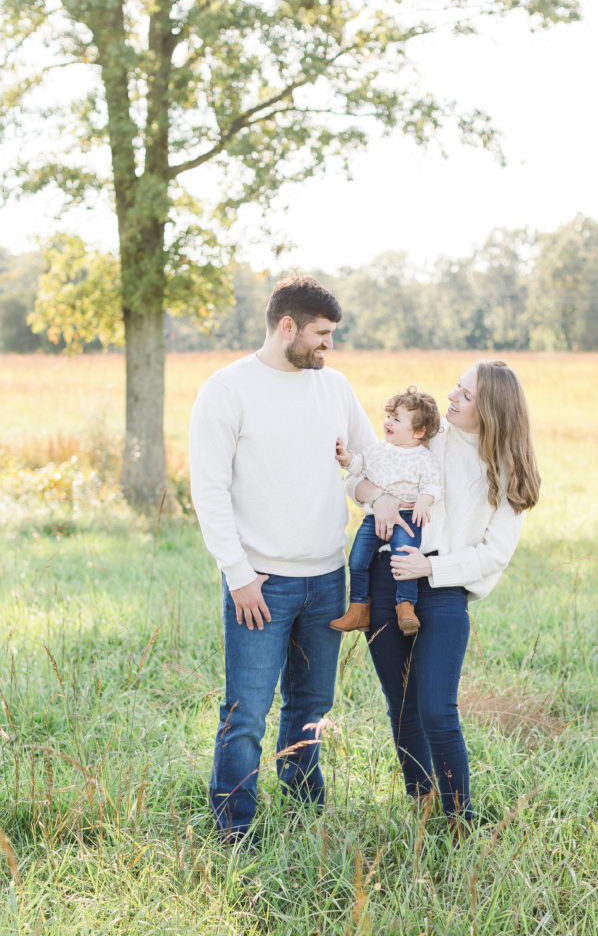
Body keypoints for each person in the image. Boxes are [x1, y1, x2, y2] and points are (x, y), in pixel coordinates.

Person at [189, 274, 375, 845]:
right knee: (245, 713)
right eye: (322, 335)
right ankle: (233, 830)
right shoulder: (227, 389)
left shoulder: (335, 387)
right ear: (287, 326)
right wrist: (238, 576)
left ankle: (302, 812)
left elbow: (370, 469)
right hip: (261, 584)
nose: (329, 346)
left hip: (326, 577)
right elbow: (209, 490)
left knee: (312, 707)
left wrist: (356, 470)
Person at [347, 360, 541, 834]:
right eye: (457, 386)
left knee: (437, 707)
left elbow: (493, 553)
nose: (452, 396)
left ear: (492, 409)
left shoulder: (506, 470)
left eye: (466, 394)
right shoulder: (430, 433)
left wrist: (431, 567)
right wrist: (380, 498)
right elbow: (359, 476)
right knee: (402, 705)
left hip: (444, 591)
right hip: (385, 579)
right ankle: (422, 803)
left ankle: (459, 822)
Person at [330, 386, 442, 636]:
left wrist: (424, 501)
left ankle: (405, 606)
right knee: (357, 558)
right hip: (374, 517)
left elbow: (433, 485)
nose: (388, 422)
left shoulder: (424, 458)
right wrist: (348, 459)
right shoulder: (378, 450)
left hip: (408, 518)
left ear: (419, 431)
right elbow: (360, 466)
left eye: (397, 419)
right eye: (389, 416)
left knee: (403, 560)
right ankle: (359, 608)